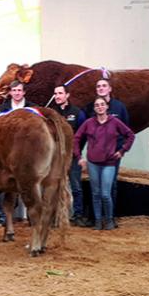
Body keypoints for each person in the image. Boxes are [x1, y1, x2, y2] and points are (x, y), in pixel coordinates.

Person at [74, 96, 136, 231]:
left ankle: (109, 220)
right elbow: (76, 138)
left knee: (105, 194)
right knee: (95, 193)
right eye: (97, 105)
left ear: (107, 107)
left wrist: (122, 151)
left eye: (102, 104)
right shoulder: (89, 123)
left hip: (109, 163)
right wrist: (79, 157)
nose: (100, 107)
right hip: (92, 163)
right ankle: (97, 221)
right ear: (94, 108)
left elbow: (130, 135)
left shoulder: (115, 122)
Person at [50, 85, 89, 227]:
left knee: (76, 186)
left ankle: (78, 215)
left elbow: (83, 134)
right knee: (54, 186)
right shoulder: (50, 113)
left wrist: (77, 152)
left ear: (67, 95)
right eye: (55, 93)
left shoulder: (77, 113)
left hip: (72, 156)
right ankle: (54, 216)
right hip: (55, 158)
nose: (57, 96)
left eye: (60, 93)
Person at [0, 80, 32, 222]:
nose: (17, 93)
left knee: (29, 184)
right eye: (14, 90)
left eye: (19, 90)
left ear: (24, 92)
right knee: (6, 184)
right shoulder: (3, 108)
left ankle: (31, 215)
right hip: (8, 153)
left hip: (27, 153)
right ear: (10, 92)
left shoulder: (32, 108)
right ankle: (4, 215)